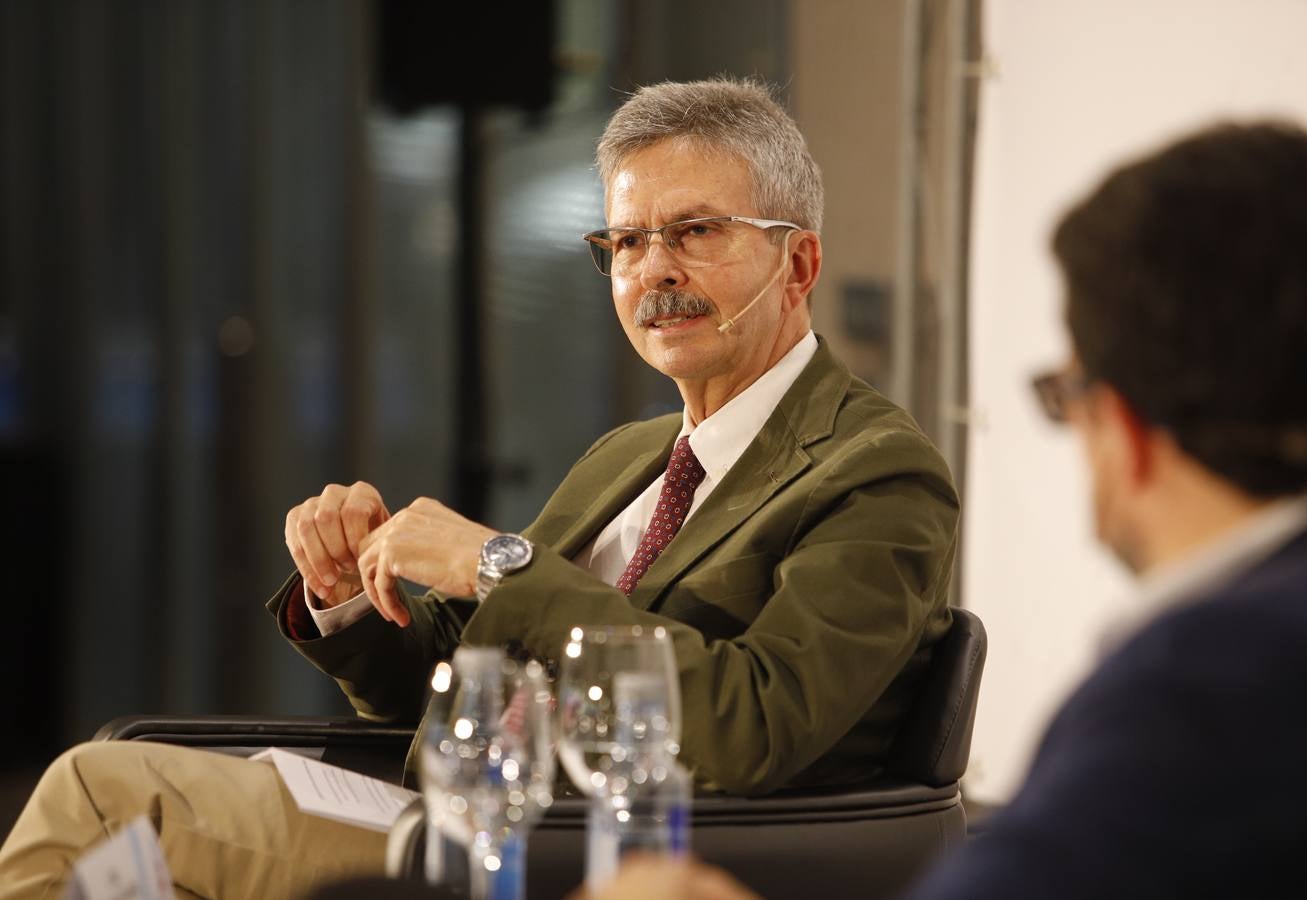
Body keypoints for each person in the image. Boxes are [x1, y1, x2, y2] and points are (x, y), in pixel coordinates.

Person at [0, 78, 959, 898]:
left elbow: (758, 726)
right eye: (625, 242)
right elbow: (458, 679)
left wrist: (500, 563)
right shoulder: (632, 453)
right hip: (462, 805)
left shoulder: (874, 469)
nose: (652, 268)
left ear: (798, 262)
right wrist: (349, 600)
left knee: (99, 793)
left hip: (582, 857)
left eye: (695, 230)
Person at [581, 120, 1307, 898]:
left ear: (1124, 424)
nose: (655, 269)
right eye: (626, 243)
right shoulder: (1275, 643)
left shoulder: (1216, 683)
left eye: (1065, 394)